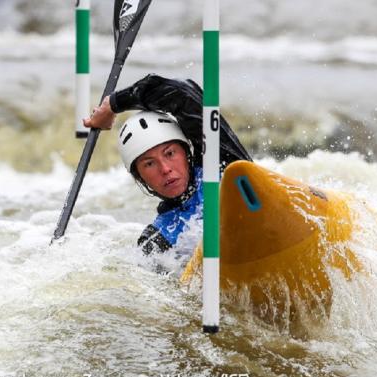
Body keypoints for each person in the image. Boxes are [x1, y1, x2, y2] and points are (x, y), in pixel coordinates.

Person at [84, 74, 252, 255]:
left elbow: (180, 94)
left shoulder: (221, 161)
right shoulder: (157, 239)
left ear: (186, 152)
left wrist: (113, 104)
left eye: (170, 153)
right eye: (149, 164)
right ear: (140, 178)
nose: (165, 169)